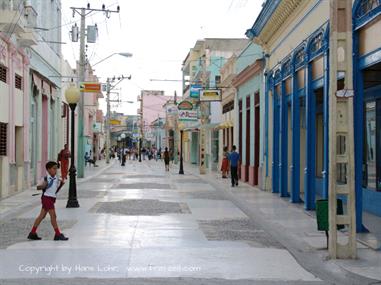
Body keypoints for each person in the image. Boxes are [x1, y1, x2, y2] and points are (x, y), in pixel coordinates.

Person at [27, 161, 68, 241]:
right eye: (54, 169)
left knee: (41, 216)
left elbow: (55, 191)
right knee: (53, 216)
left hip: (51, 199)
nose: (55, 170)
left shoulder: (56, 179)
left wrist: (61, 185)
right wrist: (43, 186)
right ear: (48, 170)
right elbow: (38, 187)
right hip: (46, 198)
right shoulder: (46, 178)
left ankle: (32, 233)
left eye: (56, 169)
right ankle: (58, 234)